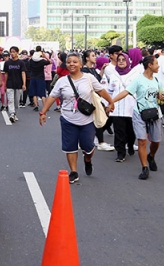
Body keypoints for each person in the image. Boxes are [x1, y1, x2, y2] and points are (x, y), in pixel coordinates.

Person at [40, 52, 115, 183]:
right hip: (68, 119)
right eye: (69, 62)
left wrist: (111, 102)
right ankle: (74, 172)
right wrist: (43, 112)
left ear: (80, 64)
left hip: (87, 119)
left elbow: (101, 90)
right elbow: (52, 96)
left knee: (89, 148)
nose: (71, 64)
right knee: (70, 147)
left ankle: (87, 159)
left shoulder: (89, 78)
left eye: (75, 62)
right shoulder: (62, 81)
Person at [111, 56, 164, 180]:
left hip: (155, 114)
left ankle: (151, 156)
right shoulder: (138, 80)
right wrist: (112, 102)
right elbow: (126, 92)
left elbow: (162, 95)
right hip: (140, 113)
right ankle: (145, 167)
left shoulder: (157, 80)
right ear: (150, 65)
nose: (158, 66)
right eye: (156, 63)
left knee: (156, 141)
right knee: (142, 141)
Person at [104, 52, 139, 161]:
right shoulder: (113, 76)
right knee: (119, 132)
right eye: (119, 60)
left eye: (123, 60)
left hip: (131, 108)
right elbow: (109, 92)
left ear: (128, 61)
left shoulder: (135, 75)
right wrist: (108, 105)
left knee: (131, 131)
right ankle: (120, 153)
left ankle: (130, 144)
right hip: (117, 109)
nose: (121, 62)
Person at [3, 46, 26, 122]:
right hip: (10, 84)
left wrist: (24, 84)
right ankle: (12, 114)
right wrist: (5, 84)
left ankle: (15, 114)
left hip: (18, 84)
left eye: (14, 52)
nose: (12, 53)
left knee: (17, 101)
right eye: (11, 52)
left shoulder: (21, 63)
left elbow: (23, 73)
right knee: (10, 100)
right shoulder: (7, 63)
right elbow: (6, 74)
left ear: (17, 53)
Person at [27, 46, 50, 111]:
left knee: (34, 93)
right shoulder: (42, 61)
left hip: (33, 77)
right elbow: (50, 62)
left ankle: (36, 106)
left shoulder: (31, 60)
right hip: (41, 77)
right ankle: (45, 106)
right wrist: (45, 57)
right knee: (42, 93)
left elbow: (28, 66)